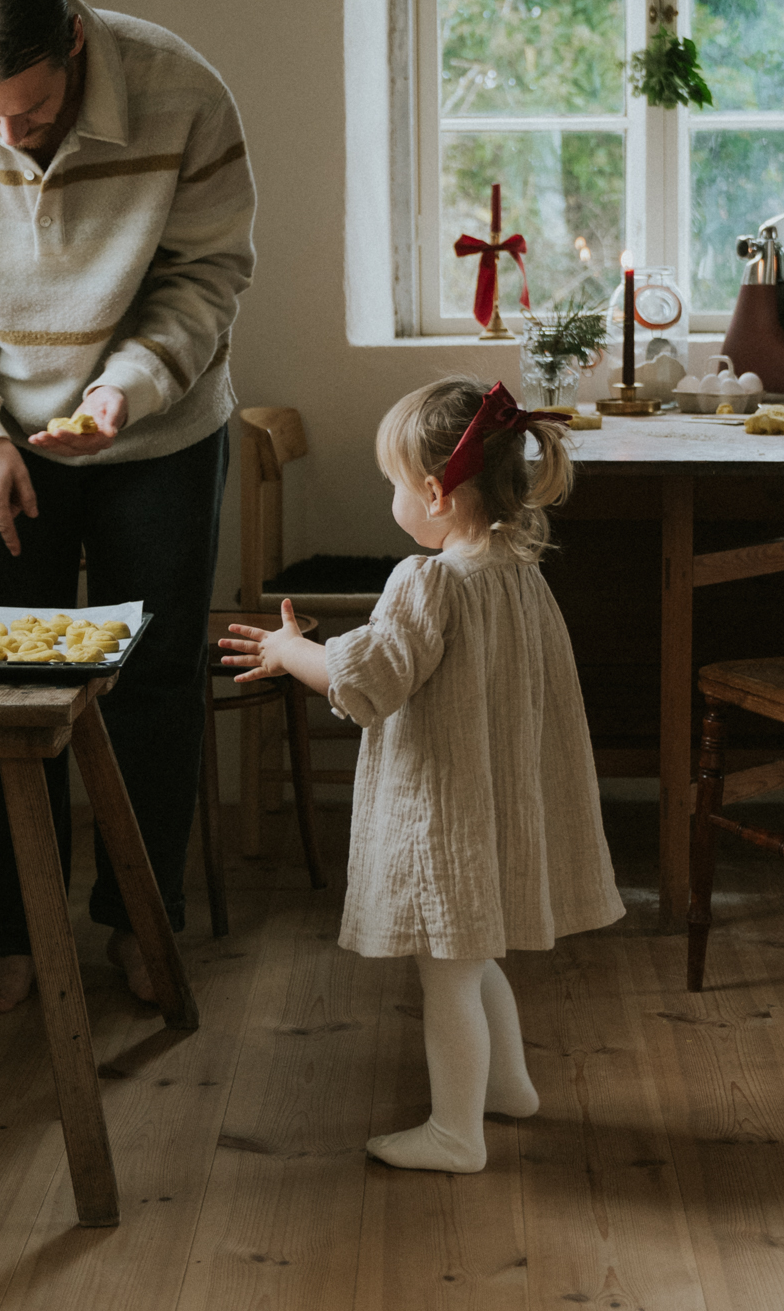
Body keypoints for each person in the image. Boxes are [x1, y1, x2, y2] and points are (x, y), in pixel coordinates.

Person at [0, 0, 255, 1013]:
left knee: (157, 675)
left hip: (158, 424)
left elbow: (207, 274)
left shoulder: (183, 93)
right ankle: (8, 931)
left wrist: (121, 392)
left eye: (29, 111)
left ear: (76, 44)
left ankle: (142, 918)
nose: (8, 133)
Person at [221, 376, 623, 1172]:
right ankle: (506, 1087)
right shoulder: (519, 568)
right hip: (500, 804)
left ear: (435, 494)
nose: (392, 498)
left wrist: (287, 651)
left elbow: (367, 680)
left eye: (394, 484)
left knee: (448, 976)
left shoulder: (429, 580)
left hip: (451, 815)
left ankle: (455, 1133)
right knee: (475, 961)